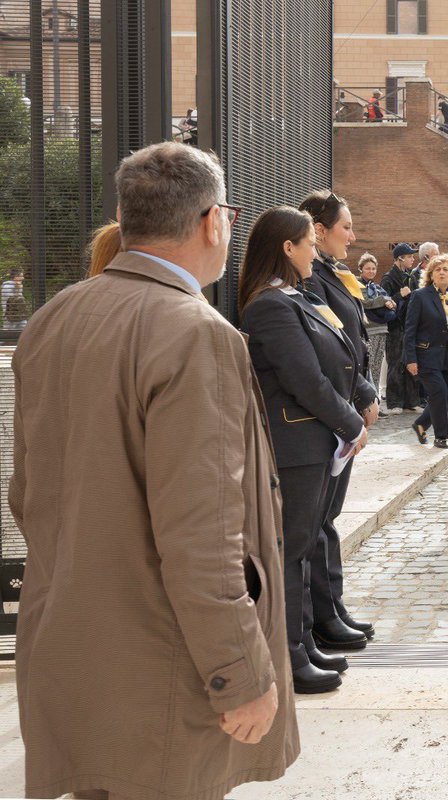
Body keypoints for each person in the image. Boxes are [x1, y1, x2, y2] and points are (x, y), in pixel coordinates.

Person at [9, 141, 298, 798]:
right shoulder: (194, 331)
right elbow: (203, 531)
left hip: (72, 651)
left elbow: (29, 495)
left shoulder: (54, 318)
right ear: (212, 221)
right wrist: (240, 673)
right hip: (165, 669)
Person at [239, 207, 368, 693]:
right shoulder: (270, 304)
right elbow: (304, 379)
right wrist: (351, 421)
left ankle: (303, 642)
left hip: (315, 441)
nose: (315, 249)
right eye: (308, 243)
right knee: (291, 552)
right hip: (296, 442)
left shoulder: (297, 297)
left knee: (305, 545)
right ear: (287, 248)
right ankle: (288, 655)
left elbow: (338, 353)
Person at [297, 190, 378, 652]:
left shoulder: (332, 273)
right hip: (331, 412)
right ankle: (323, 615)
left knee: (328, 517)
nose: (353, 234)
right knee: (320, 518)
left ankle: (333, 607)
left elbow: (354, 339)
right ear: (320, 231)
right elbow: (331, 345)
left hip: (346, 407)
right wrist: (362, 393)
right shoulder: (311, 279)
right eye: (346, 226)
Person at [406, 254, 448, 448]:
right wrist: (410, 359)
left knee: (447, 395)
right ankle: (442, 437)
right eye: (437, 269)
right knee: (438, 392)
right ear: (430, 274)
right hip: (426, 355)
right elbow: (410, 329)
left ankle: (421, 424)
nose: (441, 272)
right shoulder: (419, 296)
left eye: (445, 269)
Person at [382, 242, 424, 411]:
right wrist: (400, 295)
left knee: (411, 362)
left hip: (410, 326)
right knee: (395, 363)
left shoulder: (411, 277)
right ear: (399, 258)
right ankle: (394, 403)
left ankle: (412, 402)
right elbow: (383, 302)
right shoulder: (388, 278)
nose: (413, 259)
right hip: (395, 327)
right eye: (409, 256)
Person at [358, 253, 397, 411]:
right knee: (368, 367)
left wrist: (388, 301)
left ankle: (375, 404)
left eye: (373, 268)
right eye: (367, 268)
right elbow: (365, 302)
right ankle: (366, 403)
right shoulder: (358, 285)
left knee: (376, 367)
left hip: (382, 329)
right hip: (368, 331)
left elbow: (392, 303)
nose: (371, 271)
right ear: (360, 269)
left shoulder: (376, 287)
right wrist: (384, 301)